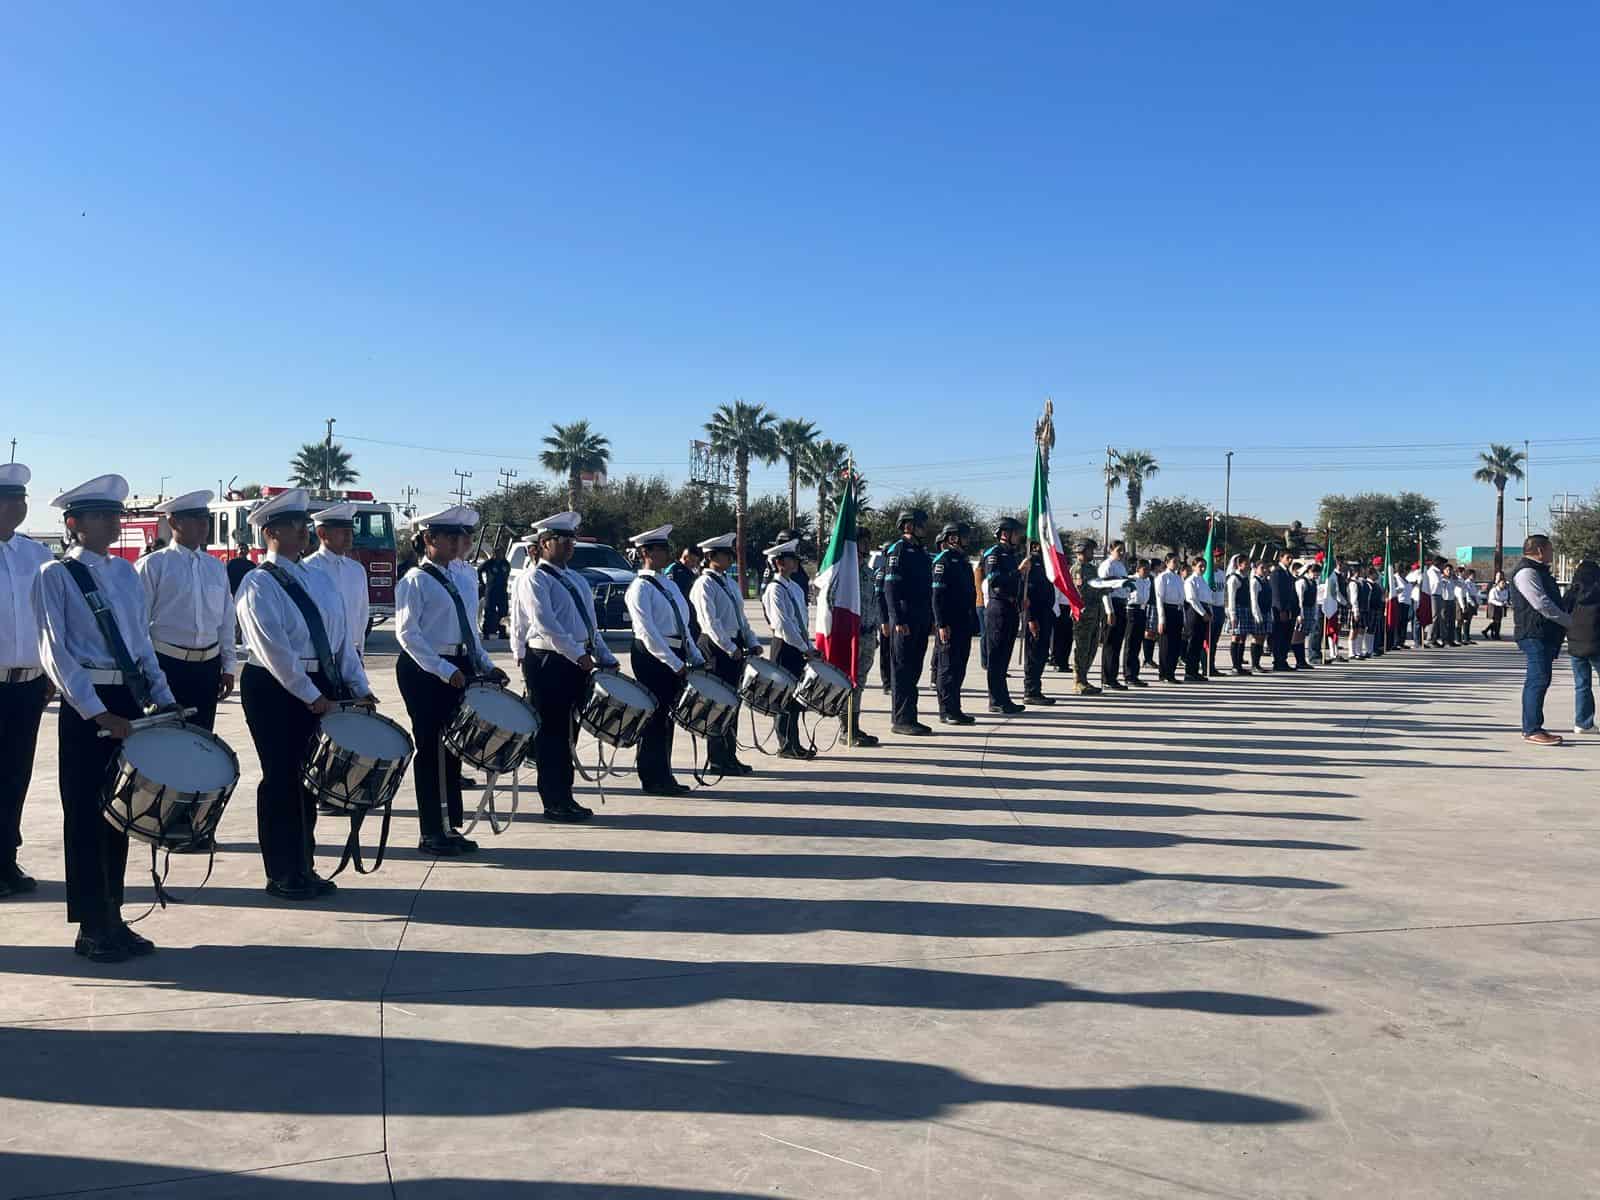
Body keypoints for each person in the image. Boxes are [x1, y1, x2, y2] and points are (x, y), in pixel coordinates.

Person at [35, 474, 178, 961]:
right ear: (74, 524)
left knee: (121, 814)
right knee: (85, 814)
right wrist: (97, 712)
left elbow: (140, 644)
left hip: (127, 701)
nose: (112, 522)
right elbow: (57, 654)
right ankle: (91, 924)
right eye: (100, 515)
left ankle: (113, 915)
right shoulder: (55, 575)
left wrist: (161, 695)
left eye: (115, 514)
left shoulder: (125, 573)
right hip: (87, 705)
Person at [235, 488, 378, 900]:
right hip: (277, 690)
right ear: (272, 531)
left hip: (321, 686)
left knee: (309, 782)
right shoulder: (258, 582)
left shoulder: (316, 578)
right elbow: (273, 650)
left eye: (304, 525)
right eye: (296, 526)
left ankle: (304, 863)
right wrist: (309, 695)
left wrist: (359, 687)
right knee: (281, 779)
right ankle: (282, 871)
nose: (304, 532)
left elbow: (342, 641)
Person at [396, 506, 508, 857]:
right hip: (424, 668)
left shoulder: (463, 576)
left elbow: (470, 631)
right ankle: (431, 830)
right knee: (431, 750)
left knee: (453, 750)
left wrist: (485, 665)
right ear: (430, 540)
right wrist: (446, 671)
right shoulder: (414, 580)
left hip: (457, 663)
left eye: (464, 537)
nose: (462, 543)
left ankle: (450, 825)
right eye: (453, 537)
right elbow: (408, 635)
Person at [511, 511, 619, 820]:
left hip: (575, 661)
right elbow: (546, 624)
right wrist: (578, 654)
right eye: (562, 540)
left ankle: (566, 795)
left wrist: (604, 656)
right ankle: (554, 800)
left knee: (569, 732)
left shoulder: (576, 579)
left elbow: (589, 625)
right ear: (544, 544)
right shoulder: (534, 579)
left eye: (571, 539)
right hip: (549, 661)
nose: (569, 545)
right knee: (552, 734)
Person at [0, 464, 54, 901]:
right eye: (9, 498)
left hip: (27, 685)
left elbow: (51, 622)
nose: (18, 506)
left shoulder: (36, 556)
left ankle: (5, 859)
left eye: (21, 499)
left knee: (16, 775)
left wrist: (50, 674)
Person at [625, 524, 706, 793]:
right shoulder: (639, 588)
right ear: (645, 552)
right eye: (660, 549)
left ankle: (665, 774)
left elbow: (683, 625)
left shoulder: (668, 584)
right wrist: (674, 663)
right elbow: (648, 633)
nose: (665, 553)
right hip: (652, 657)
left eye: (666, 548)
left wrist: (693, 655)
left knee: (667, 718)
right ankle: (651, 776)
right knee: (654, 718)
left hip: (675, 654)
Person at [691, 533, 759, 770]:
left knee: (733, 703)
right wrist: (730, 648)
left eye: (731, 554)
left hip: (734, 647)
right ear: (711, 557)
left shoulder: (729, 583)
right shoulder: (704, 584)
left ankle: (730, 754)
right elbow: (710, 622)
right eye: (725, 554)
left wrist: (751, 641)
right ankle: (718, 758)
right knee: (718, 704)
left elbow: (741, 619)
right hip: (715, 648)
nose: (730, 558)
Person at [1511, 534, 1571, 746]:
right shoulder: (1527, 572)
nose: (1552, 554)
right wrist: (1568, 621)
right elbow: (1541, 604)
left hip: (1543, 634)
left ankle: (1533, 726)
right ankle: (1531, 729)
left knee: (1540, 679)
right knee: (1537, 680)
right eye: (1550, 549)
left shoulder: (1538, 571)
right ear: (1539, 551)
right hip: (1534, 633)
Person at [882, 509, 934, 734]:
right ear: (908, 526)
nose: (925, 527)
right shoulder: (898, 550)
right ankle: (901, 719)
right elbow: (890, 587)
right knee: (902, 670)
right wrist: (897, 618)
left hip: (920, 618)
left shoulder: (921, 552)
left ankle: (910, 715)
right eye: (921, 524)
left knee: (914, 669)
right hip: (905, 618)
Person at [763, 539, 816, 757]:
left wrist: (807, 645)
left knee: (796, 697)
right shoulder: (774, 590)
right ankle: (786, 744)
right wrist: (804, 647)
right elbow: (783, 624)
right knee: (784, 697)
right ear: (778, 563)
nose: (795, 562)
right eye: (790, 559)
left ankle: (795, 742)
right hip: (784, 645)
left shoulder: (794, 587)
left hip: (799, 645)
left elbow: (801, 621)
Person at [304, 502, 370, 663]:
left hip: (352, 657)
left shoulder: (356, 570)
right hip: (321, 658)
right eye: (342, 531)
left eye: (350, 531)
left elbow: (362, 616)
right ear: (322, 533)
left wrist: (359, 653)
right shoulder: (306, 569)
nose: (349, 537)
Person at [930, 522, 977, 724]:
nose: (968, 539)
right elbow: (937, 595)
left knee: (959, 667)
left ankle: (955, 708)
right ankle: (946, 710)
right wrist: (941, 624)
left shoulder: (963, 560)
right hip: (949, 623)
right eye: (964, 536)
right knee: (947, 668)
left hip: (963, 621)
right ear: (953, 537)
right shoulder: (944, 560)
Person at [980, 517, 1026, 715]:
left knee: (1005, 655)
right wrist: (1018, 572)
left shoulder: (1013, 554)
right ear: (1005, 533)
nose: (1019, 536)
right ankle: (996, 699)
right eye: (1016, 533)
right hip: (998, 607)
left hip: (1011, 607)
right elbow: (994, 580)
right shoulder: (994, 553)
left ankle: (1003, 697)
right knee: (996, 656)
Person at [839, 540, 881, 747]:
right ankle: (846, 729)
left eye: (864, 552)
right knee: (848, 682)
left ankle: (855, 726)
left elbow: (874, 601)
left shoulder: (868, 572)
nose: (862, 555)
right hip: (850, 636)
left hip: (867, 635)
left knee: (860, 683)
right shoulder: (842, 575)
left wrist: (876, 629)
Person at [1563, 560, 1600, 736]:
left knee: (1582, 685)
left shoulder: (1572, 593)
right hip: (1597, 643)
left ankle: (1583, 723)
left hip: (1576, 644)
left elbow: (1562, 613)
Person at [1020, 540, 1057, 705]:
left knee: (1042, 653)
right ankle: (1031, 691)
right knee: (1034, 654)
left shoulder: (1046, 563)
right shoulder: (1031, 564)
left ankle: (1036, 689)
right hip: (1035, 615)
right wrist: (1031, 619)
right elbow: (1028, 594)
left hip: (1046, 613)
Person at [1070, 539, 1104, 695]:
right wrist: (1101, 589)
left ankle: (1084, 678)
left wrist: (1109, 587)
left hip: (1095, 613)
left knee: (1092, 648)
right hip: (1083, 614)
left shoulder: (1092, 569)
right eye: (1090, 550)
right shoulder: (1077, 570)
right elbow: (1082, 591)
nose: (1092, 553)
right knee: (1082, 648)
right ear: (1081, 551)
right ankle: (1078, 681)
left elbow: (1097, 587)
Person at [1094, 541, 1130, 691]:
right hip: (1112, 605)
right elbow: (1105, 590)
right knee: (1110, 644)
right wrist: (1109, 611)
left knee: (1117, 644)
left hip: (1121, 604)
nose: (1121, 553)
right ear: (1111, 550)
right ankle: (1107, 678)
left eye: (1123, 550)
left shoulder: (1121, 566)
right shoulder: (1107, 566)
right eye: (1118, 550)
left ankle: (1113, 677)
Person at [663, 542, 703, 645]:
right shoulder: (674, 570)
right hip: (680, 615)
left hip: (692, 615)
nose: (695, 564)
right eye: (693, 561)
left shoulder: (690, 572)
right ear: (685, 557)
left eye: (696, 561)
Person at [1154, 553, 1185, 683]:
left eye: (1178, 561)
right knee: (1166, 645)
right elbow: (1159, 598)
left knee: (1175, 644)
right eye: (1174, 561)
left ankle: (1171, 672)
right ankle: (1164, 673)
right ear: (1166, 563)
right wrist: (1161, 619)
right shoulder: (1162, 577)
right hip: (1167, 610)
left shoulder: (1178, 578)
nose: (1176, 564)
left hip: (1177, 611)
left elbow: (1182, 598)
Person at [1222, 554, 1254, 676]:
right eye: (1245, 564)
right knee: (1236, 636)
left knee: (1243, 637)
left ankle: (1239, 664)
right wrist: (1233, 614)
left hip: (1245, 609)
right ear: (1239, 565)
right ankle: (1235, 665)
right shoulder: (1233, 579)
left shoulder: (1245, 577)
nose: (1248, 566)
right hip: (1237, 609)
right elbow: (1231, 598)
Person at [1123, 557, 1151, 688]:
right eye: (1144, 569)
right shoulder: (1131, 580)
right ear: (1137, 569)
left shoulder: (1148, 581)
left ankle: (1135, 673)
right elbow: (1126, 596)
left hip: (1142, 611)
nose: (1147, 572)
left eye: (1148, 569)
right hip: (1131, 610)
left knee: (1137, 644)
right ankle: (1128, 675)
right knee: (1130, 644)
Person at [1182, 556, 1211, 682]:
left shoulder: (1203, 580)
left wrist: (1209, 612)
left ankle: (1195, 671)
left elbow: (1208, 597)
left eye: (1204, 566)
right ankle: (1189, 672)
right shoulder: (1190, 580)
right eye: (1200, 566)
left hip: (1204, 610)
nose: (1203, 568)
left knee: (1199, 643)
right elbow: (1192, 599)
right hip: (1195, 612)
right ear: (1193, 567)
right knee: (1193, 642)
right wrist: (1203, 613)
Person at [1268, 548, 1297, 671]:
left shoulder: (1288, 573)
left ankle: (1283, 659)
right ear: (1281, 558)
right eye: (1287, 558)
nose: (1290, 560)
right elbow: (1276, 593)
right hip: (1279, 610)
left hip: (1289, 609)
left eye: (1291, 558)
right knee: (1278, 636)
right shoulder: (1277, 573)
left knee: (1286, 636)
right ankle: (1278, 661)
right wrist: (1281, 610)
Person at [476, 541, 512, 640]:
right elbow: (479, 570)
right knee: (489, 612)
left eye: (501, 553)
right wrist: (482, 583)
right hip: (491, 591)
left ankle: (502, 633)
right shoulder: (489, 563)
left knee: (503, 612)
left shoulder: (505, 563)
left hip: (502, 591)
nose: (499, 555)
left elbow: (507, 573)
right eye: (497, 553)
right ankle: (486, 633)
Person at [1291, 560, 1316, 669]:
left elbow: (1314, 599)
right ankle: (1299, 660)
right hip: (1302, 610)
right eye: (1314, 572)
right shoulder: (1301, 581)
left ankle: (1302, 660)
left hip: (1310, 609)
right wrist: (1299, 614)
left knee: (1303, 636)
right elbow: (1299, 599)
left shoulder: (1313, 582)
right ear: (1308, 571)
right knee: (1298, 635)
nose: (1316, 574)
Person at [1485, 570, 1510, 640]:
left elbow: (1507, 594)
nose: (1499, 576)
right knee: (1494, 620)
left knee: (1499, 620)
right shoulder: (1492, 584)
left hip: (1501, 604)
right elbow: (1489, 594)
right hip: (1493, 604)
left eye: (1501, 575)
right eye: (1498, 575)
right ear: (1496, 575)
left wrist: (1506, 601)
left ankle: (1494, 633)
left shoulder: (1505, 584)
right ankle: (1493, 633)